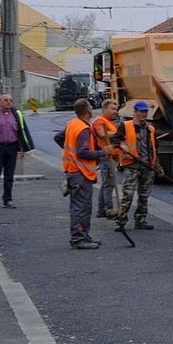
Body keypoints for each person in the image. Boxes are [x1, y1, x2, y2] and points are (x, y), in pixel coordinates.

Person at [61, 98, 105, 249]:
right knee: (81, 207)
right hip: (81, 173)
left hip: (73, 171)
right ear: (87, 111)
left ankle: (83, 236)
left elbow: (59, 138)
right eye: (91, 107)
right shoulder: (83, 129)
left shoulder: (72, 124)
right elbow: (82, 152)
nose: (92, 108)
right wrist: (103, 152)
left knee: (79, 206)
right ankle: (79, 238)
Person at [116, 100, 162, 230]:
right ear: (135, 112)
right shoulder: (125, 126)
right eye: (141, 111)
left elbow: (154, 148)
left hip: (147, 166)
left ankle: (140, 220)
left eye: (145, 111)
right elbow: (115, 139)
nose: (144, 114)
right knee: (128, 195)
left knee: (144, 195)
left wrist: (157, 166)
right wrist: (121, 145)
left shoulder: (150, 129)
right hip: (132, 165)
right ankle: (121, 221)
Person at [91, 99, 124, 220]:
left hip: (112, 156)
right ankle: (109, 209)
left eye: (116, 109)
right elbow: (101, 134)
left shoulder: (109, 122)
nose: (115, 111)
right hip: (106, 157)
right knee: (109, 184)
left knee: (105, 184)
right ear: (104, 109)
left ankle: (101, 210)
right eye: (112, 109)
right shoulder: (99, 121)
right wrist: (117, 133)